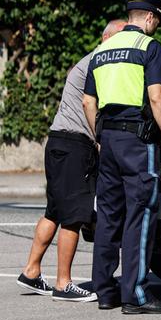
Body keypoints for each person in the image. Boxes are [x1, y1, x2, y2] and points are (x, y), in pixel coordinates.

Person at [82, 0, 161, 314]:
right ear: (150, 18)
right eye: (158, 23)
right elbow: (156, 97)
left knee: (109, 215)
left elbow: (88, 102)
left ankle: (105, 291)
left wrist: (99, 137)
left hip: (107, 140)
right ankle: (135, 294)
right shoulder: (149, 48)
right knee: (140, 215)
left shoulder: (101, 51)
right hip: (138, 143)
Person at [16, 19, 127, 301]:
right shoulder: (101, 62)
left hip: (57, 142)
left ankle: (31, 271)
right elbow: (94, 105)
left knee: (54, 210)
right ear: (107, 38)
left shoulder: (87, 61)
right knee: (75, 215)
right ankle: (64, 284)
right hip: (76, 145)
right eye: (122, 36)